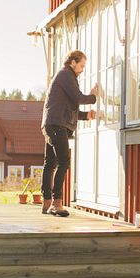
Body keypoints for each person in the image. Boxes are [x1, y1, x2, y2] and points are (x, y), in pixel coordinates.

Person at [40, 50, 98, 217]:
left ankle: (46, 203)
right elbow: (78, 98)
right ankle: (57, 203)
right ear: (73, 62)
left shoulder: (64, 76)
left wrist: (86, 116)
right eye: (81, 65)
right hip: (57, 125)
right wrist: (93, 97)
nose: (82, 69)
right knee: (64, 162)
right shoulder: (66, 75)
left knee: (50, 163)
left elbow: (68, 107)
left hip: (51, 123)